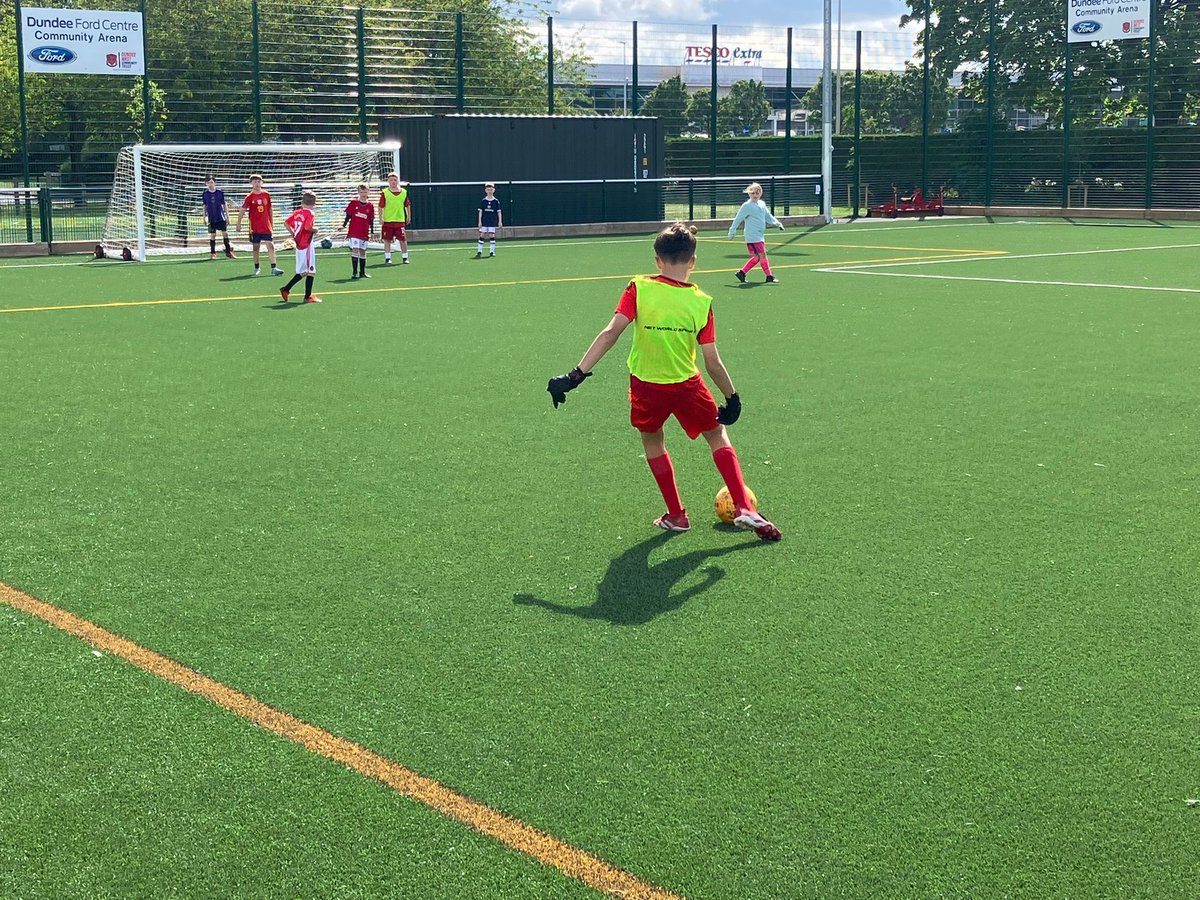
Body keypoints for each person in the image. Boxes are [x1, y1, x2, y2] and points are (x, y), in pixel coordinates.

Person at [546, 222, 781, 541]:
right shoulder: (701, 302)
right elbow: (712, 360)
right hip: (686, 385)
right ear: (693, 261)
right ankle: (743, 506)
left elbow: (611, 333)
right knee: (716, 434)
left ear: (657, 260)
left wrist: (575, 376)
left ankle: (677, 515)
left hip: (646, 385)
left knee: (653, 441)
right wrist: (732, 396)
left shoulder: (638, 288)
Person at [728, 181, 784, 284]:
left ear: (761, 193)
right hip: (752, 235)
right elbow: (738, 218)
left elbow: (768, 216)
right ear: (749, 193)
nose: (755, 195)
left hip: (759, 235)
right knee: (762, 255)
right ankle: (769, 276)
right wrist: (732, 230)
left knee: (757, 257)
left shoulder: (762, 204)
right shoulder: (747, 206)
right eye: (752, 193)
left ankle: (742, 273)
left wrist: (777, 223)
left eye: (757, 193)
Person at [235, 174, 283, 276]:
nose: (257, 183)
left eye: (258, 181)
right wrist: (238, 223)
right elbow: (242, 210)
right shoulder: (249, 197)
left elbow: (270, 209)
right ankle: (257, 267)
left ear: (262, 182)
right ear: (251, 183)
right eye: (254, 181)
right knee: (256, 247)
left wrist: (271, 223)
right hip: (255, 227)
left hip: (266, 225)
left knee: (270, 245)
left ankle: (274, 267)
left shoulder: (266, 194)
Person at [279, 191, 321, 304]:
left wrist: (293, 234)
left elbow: (286, 223)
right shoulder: (310, 213)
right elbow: (307, 227)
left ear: (302, 202)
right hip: (306, 243)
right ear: (314, 204)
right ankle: (307, 297)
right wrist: (315, 230)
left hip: (298, 243)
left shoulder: (297, 212)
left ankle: (286, 288)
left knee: (305, 270)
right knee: (310, 270)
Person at [343, 182, 375, 279]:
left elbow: (371, 220)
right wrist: (343, 225)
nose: (364, 194)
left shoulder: (370, 205)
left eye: (365, 192)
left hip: (364, 232)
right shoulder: (353, 203)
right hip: (354, 231)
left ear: (368, 192)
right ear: (358, 192)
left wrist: (372, 232)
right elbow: (348, 216)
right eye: (361, 192)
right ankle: (354, 272)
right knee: (355, 250)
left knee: (363, 251)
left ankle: (362, 272)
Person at [378, 172, 411, 265]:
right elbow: (380, 206)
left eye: (395, 180)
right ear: (388, 181)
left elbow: (407, 205)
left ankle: (405, 257)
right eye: (391, 180)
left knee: (403, 240)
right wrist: (381, 218)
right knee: (387, 240)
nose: (393, 182)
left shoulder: (403, 192)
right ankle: (387, 258)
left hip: (399, 220)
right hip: (388, 220)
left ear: (398, 180)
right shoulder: (385, 192)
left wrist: (408, 216)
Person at [202, 176, 236, 260]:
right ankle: (213, 253)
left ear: (215, 183)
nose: (210, 184)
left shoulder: (219, 192)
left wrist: (228, 216)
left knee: (225, 234)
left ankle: (228, 252)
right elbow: (204, 206)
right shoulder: (205, 194)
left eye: (211, 182)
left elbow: (224, 204)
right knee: (213, 235)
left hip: (220, 217)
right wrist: (204, 217)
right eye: (208, 183)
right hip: (212, 218)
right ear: (206, 184)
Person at [475, 182, 502, 258]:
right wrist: (479, 222)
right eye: (488, 190)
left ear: (494, 190)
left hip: (492, 221)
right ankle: (479, 251)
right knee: (482, 235)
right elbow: (480, 211)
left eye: (491, 190)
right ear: (485, 190)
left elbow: (499, 212)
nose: (489, 191)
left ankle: (492, 252)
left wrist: (500, 221)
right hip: (484, 221)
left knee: (491, 235)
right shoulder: (483, 201)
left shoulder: (496, 201)